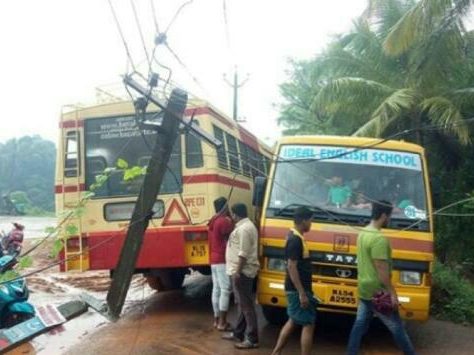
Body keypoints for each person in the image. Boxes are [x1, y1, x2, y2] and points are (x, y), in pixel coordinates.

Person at [346, 201, 416, 355]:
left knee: (359, 325)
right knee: (397, 328)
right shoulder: (379, 239)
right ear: (384, 215)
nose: (390, 219)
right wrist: (392, 293)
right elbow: (382, 270)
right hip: (378, 292)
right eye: (390, 216)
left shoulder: (363, 232)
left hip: (364, 288)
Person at [271, 207, 317, 355]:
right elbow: (292, 266)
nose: (311, 224)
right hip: (298, 289)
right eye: (310, 221)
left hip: (296, 288)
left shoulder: (294, 236)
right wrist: (302, 293)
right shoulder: (295, 240)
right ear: (303, 221)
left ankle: (276, 352)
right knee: (308, 324)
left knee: (293, 320)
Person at [222, 203, 260, 349]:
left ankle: (252, 338)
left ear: (235, 215)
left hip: (242, 272)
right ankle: (238, 333)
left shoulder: (244, 229)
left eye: (232, 214)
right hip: (239, 272)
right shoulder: (245, 227)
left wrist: (237, 271)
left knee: (246, 306)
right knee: (242, 305)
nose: (231, 217)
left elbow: (243, 253)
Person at [208, 197, 234, 331]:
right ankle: (222, 322)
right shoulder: (223, 221)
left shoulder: (213, 220)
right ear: (224, 207)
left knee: (216, 289)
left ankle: (216, 319)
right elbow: (231, 235)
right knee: (225, 289)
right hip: (222, 259)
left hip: (213, 259)